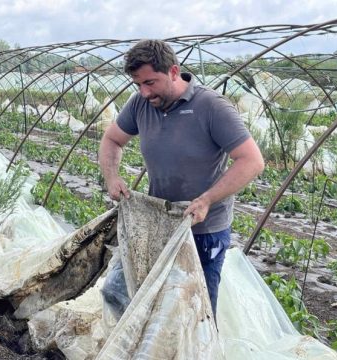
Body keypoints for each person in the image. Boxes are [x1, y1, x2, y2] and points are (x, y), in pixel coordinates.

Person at [99, 39, 264, 318]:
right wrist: (112, 178)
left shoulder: (211, 107)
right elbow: (112, 139)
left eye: (150, 82)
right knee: (119, 292)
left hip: (203, 231)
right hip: (160, 223)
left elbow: (252, 161)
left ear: (174, 72)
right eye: (138, 84)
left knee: (196, 313)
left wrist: (206, 200)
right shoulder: (140, 104)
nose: (144, 91)